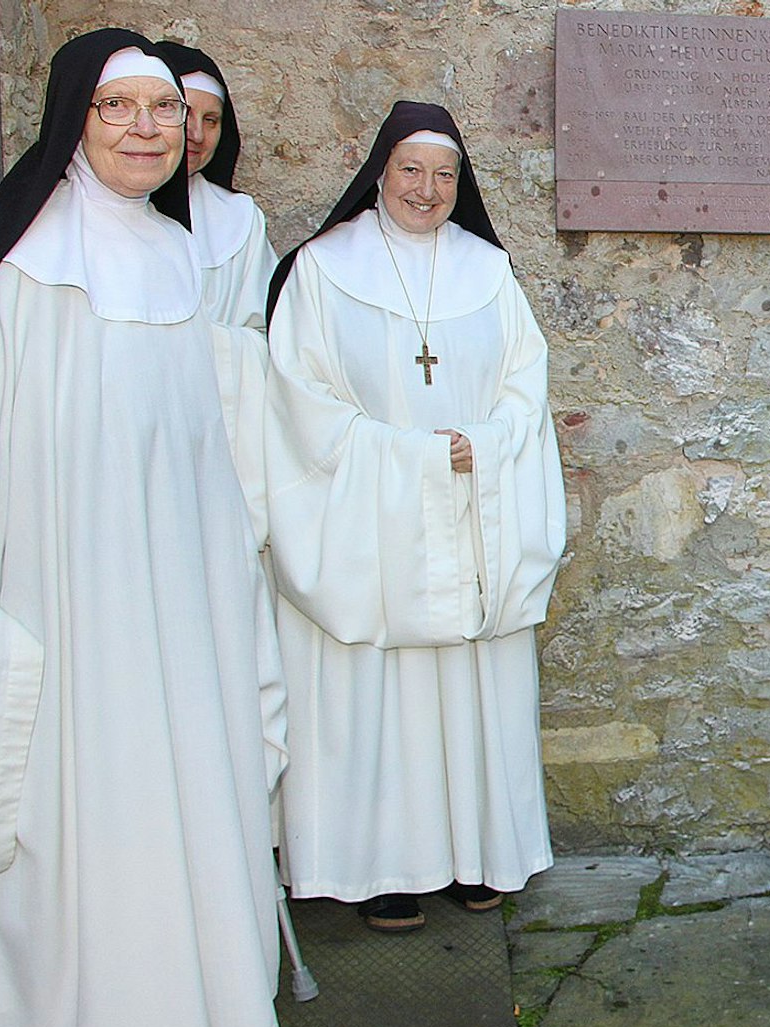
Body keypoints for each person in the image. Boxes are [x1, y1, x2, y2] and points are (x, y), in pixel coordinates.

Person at [0, 29, 284, 1027]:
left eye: (163, 110)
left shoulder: (174, 257)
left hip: (176, 612)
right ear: (75, 122)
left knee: (171, 807)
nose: (149, 129)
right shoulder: (20, 268)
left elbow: (201, 451)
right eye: (120, 109)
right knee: (72, 833)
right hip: (54, 613)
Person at [263, 102, 567, 933]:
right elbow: (298, 399)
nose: (428, 190)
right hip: (371, 518)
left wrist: (488, 443)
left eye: (445, 175)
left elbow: (524, 386)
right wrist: (401, 457)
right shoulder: (323, 270)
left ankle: (477, 854)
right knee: (378, 695)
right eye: (411, 171)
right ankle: (381, 869)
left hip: (472, 508)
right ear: (379, 172)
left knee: (467, 692)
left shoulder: (488, 270)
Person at [153, 41, 278, 331]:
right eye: (185, 113)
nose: (197, 134)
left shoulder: (240, 218)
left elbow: (263, 332)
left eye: (211, 120)